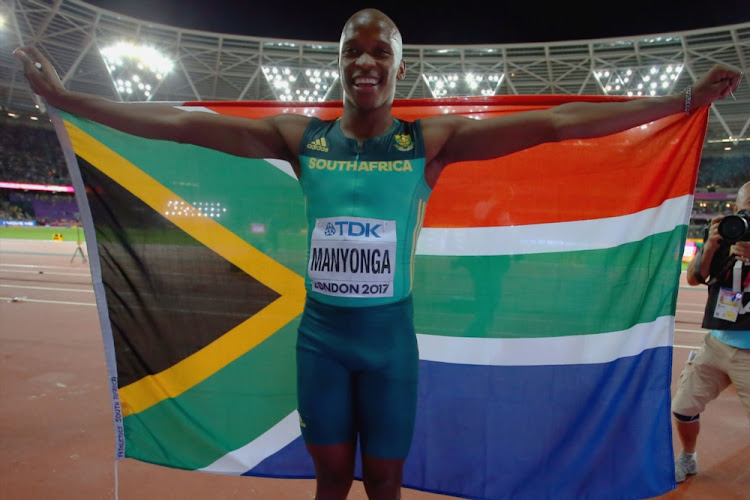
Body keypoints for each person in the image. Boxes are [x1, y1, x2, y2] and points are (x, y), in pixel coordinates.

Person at [14, 8, 742, 500]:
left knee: (384, 487)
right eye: (353, 52)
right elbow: (178, 123)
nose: (366, 62)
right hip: (323, 342)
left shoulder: (427, 142)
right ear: (340, 64)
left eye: (380, 52)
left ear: (398, 68)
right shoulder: (302, 139)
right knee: (332, 484)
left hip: (390, 343)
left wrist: (677, 102)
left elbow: (555, 123)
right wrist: (70, 99)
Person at [672, 181, 750, 483]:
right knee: (682, 407)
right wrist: (712, 247)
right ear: (736, 208)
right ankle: (688, 457)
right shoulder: (722, 233)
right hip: (716, 344)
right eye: (746, 209)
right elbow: (694, 278)